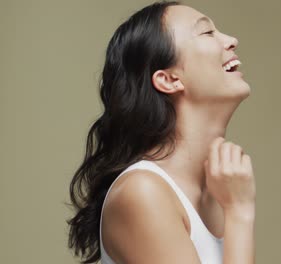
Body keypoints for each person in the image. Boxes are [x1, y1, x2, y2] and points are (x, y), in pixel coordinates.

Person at [66, 1, 256, 263]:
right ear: (169, 79)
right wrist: (240, 212)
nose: (231, 40)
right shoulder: (142, 192)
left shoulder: (219, 189)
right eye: (207, 33)